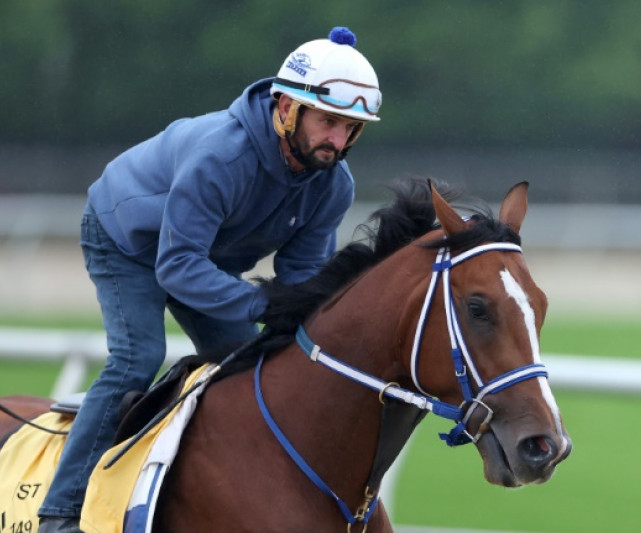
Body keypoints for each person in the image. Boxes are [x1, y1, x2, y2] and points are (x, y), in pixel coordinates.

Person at [37, 26, 382, 533]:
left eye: (350, 128)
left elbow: (302, 277)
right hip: (128, 241)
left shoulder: (333, 185)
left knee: (256, 366)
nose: (337, 141)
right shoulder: (222, 156)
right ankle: (61, 511)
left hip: (201, 256)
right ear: (286, 108)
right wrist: (262, 304)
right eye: (328, 121)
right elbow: (175, 267)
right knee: (139, 357)